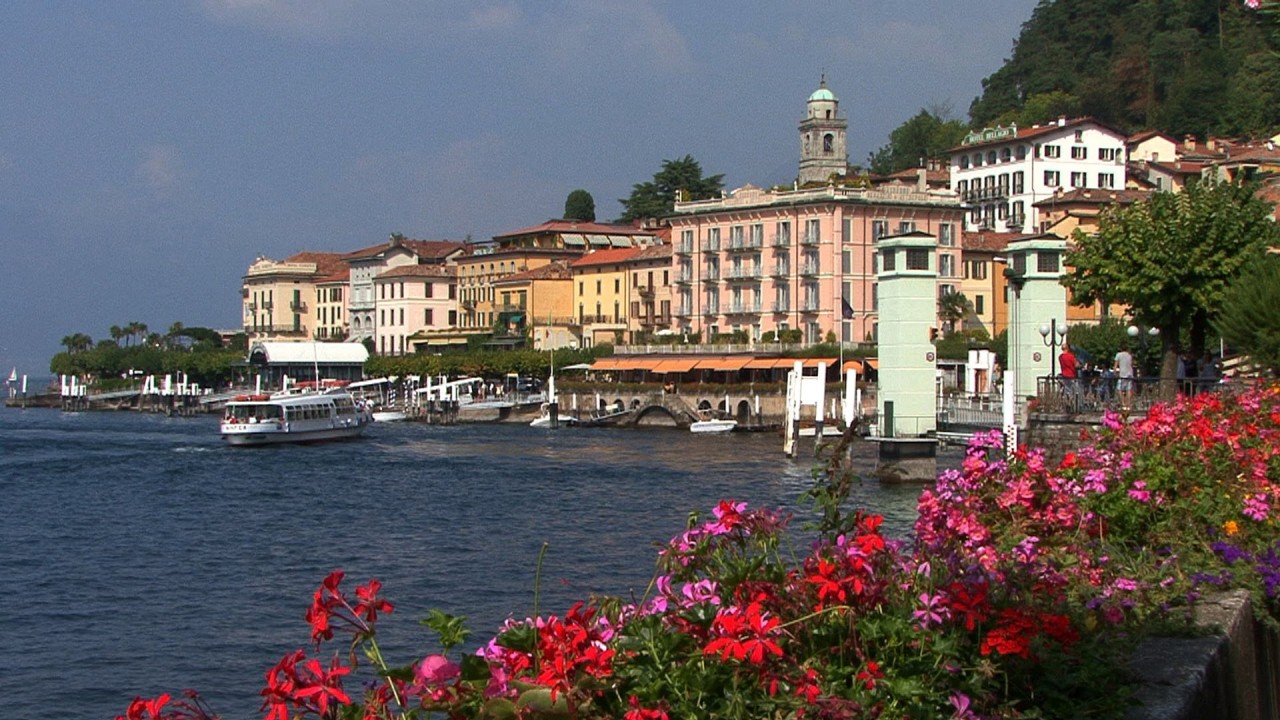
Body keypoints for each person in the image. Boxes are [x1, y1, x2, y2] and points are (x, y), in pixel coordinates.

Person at [1059, 343, 1079, 408]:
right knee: (1075, 391)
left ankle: (1066, 403)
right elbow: (1076, 365)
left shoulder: (1060, 357)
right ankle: (1073, 405)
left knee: (1067, 390)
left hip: (1064, 376)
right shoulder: (1071, 356)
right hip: (1072, 376)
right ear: (1068, 348)